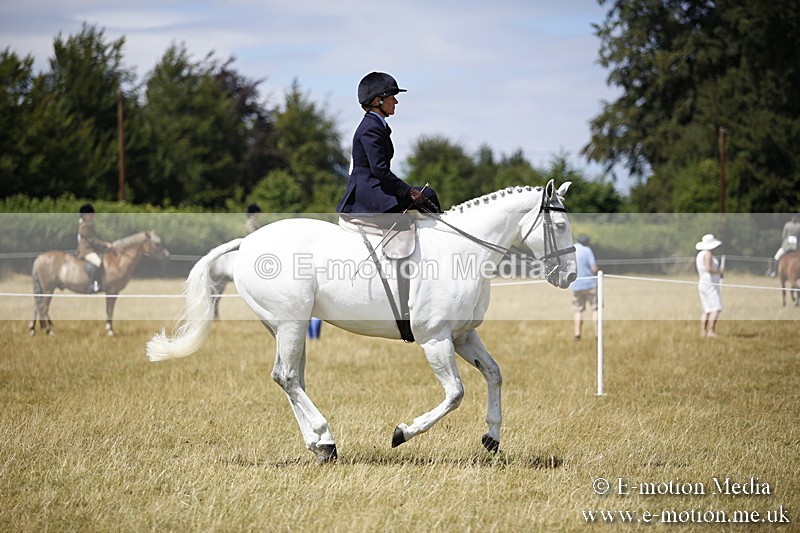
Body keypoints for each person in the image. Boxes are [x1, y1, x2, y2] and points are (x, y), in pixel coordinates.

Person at [336, 72, 442, 216]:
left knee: (427, 195)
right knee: (428, 194)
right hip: (369, 195)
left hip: (371, 190)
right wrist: (408, 192)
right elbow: (379, 169)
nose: (396, 102)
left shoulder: (375, 125)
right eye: (392, 98)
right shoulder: (371, 128)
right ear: (377, 101)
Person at [76, 204, 113, 293]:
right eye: (91, 214)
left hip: (91, 250)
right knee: (98, 262)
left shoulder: (89, 225)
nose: (93, 216)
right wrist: (105, 244)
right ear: (85, 215)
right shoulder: (84, 226)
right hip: (86, 251)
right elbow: (92, 240)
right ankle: (93, 284)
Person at [569, 235, 599, 340]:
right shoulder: (587, 250)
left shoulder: (572, 249)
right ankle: (597, 334)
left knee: (578, 310)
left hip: (576, 284)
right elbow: (593, 268)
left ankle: (577, 333)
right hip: (590, 284)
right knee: (595, 309)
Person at [695, 233, 724, 338]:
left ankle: (703, 331)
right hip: (710, 285)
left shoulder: (700, 255)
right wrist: (719, 272)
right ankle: (711, 331)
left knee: (706, 309)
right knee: (716, 308)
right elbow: (708, 269)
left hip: (703, 283)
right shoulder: (708, 254)